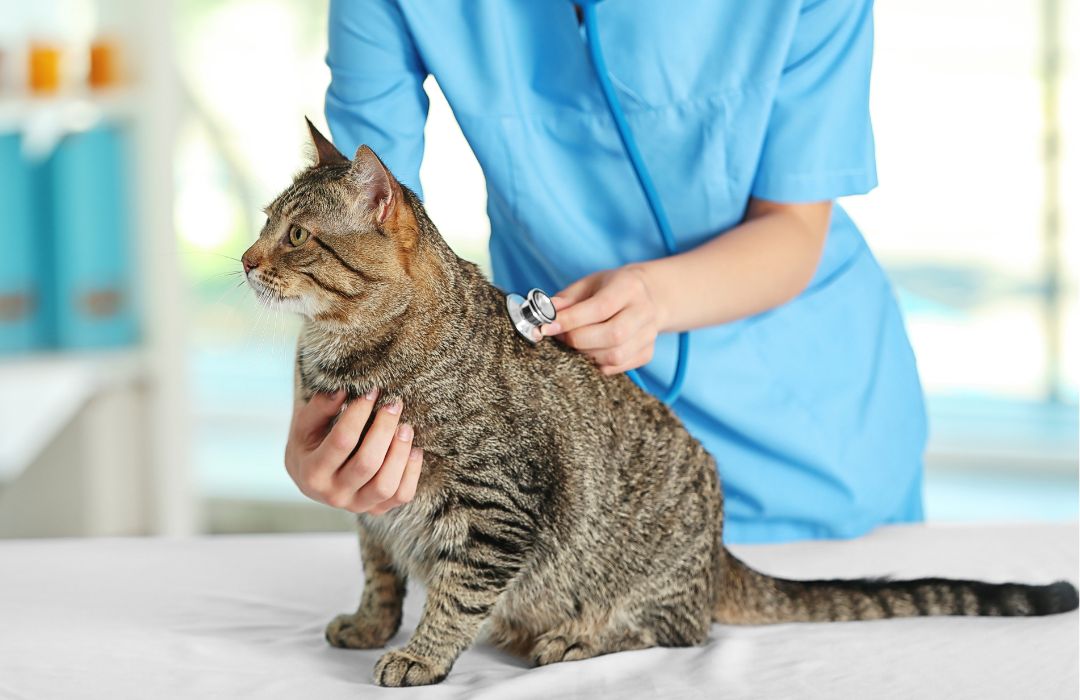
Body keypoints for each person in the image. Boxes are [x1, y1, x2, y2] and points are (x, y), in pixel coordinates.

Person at [284, 0, 927, 544]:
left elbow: (795, 225)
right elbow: (357, 234)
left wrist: (656, 296)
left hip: (815, 443)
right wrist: (322, 422)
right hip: (562, 461)